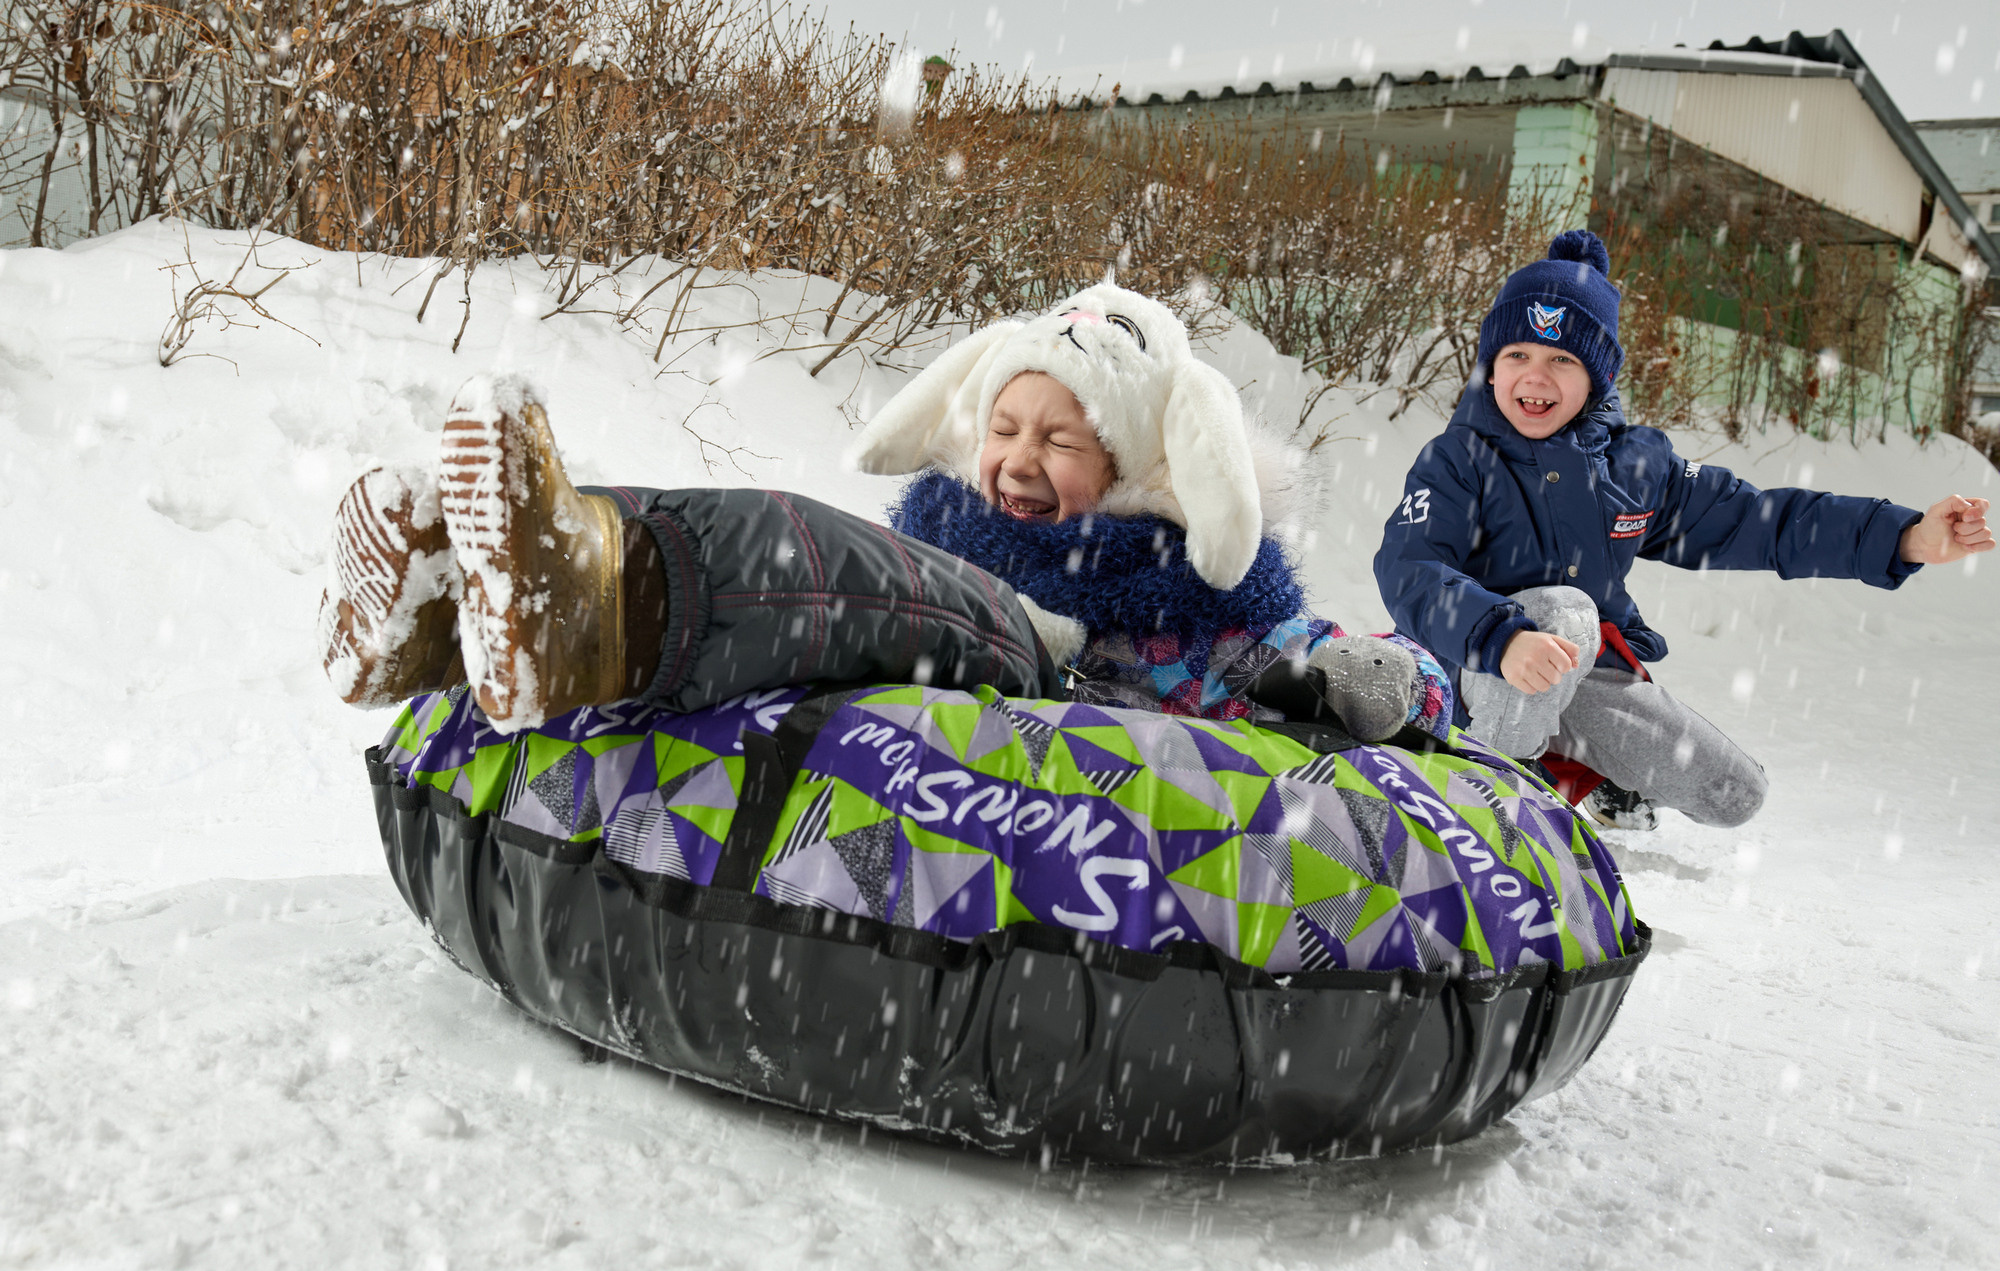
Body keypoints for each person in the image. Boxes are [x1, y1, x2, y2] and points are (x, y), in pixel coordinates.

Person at [320, 285, 1452, 743]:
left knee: (809, 561)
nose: (1015, 463)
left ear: (1130, 469)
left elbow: (1324, 660)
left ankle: (580, 596)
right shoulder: (945, 530)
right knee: (808, 565)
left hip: (1039, 706)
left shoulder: (1190, 604)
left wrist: (1384, 680)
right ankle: (464, 599)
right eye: (1003, 430)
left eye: (1057, 442)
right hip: (917, 698)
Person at [1373, 230, 1993, 831]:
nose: (1535, 378)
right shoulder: (1458, 460)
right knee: (1563, 612)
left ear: (1597, 376)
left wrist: (1904, 537)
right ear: (1492, 365)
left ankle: (1572, 764)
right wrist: (1501, 637)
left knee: (1732, 793)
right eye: (1518, 356)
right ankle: (1489, 804)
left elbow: (1758, 520)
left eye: (1562, 359)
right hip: (1467, 674)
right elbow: (1411, 568)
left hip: (1580, 676)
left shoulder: (1635, 467)